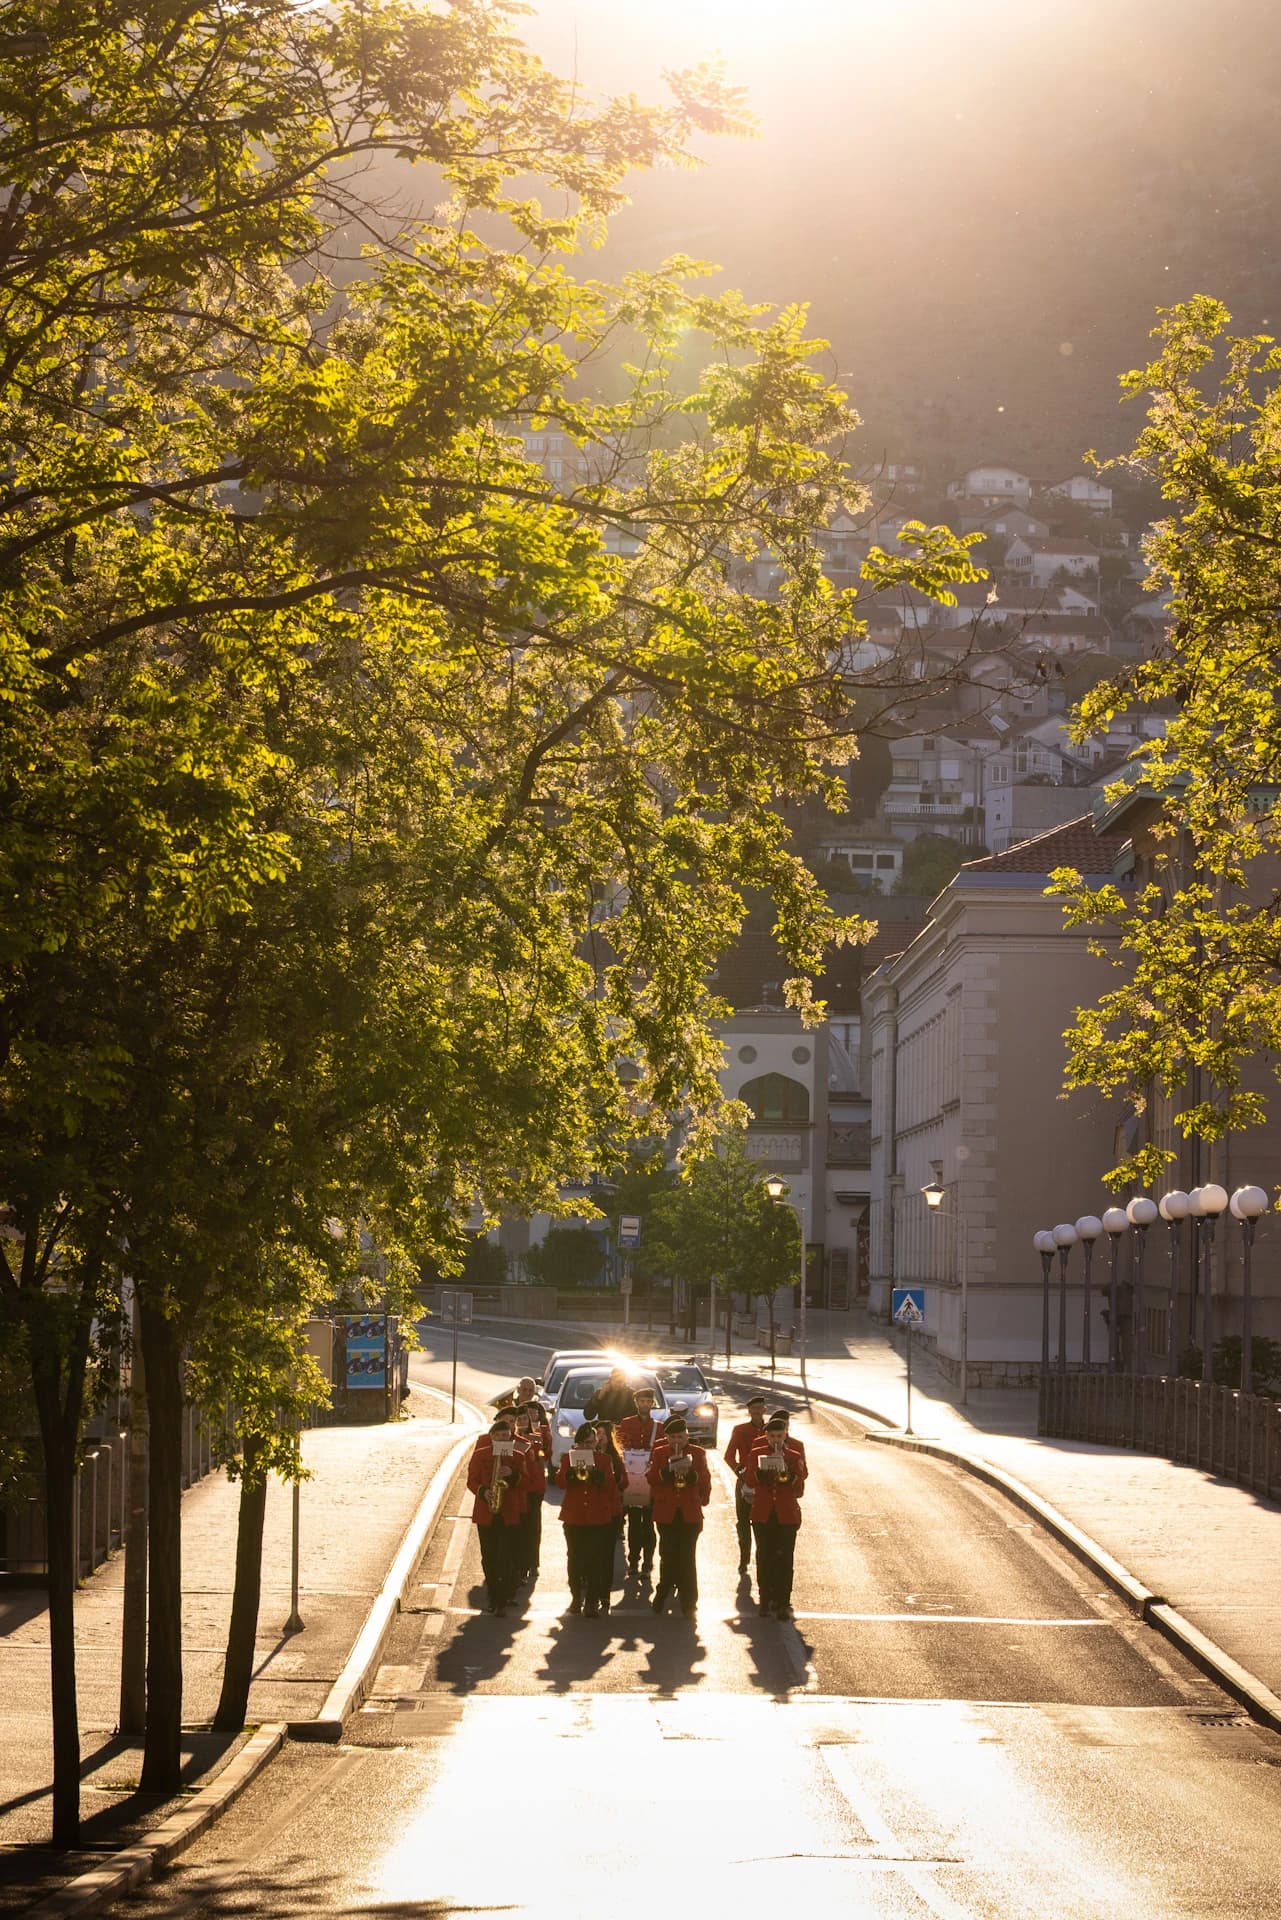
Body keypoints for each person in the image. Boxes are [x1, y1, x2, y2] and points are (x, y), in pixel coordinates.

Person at [647, 1415, 711, 1620]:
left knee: (687, 1557)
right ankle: (662, 1592)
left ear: (687, 1435)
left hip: (689, 1513)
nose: (676, 1441)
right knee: (667, 1555)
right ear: (667, 1437)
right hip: (666, 1512)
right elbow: (650, 1478)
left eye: (680, 1437)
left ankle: (689, 1602)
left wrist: (694, 1479)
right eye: (672, 1437)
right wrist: (666, 1472)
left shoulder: (698, 1453)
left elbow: (705, 1481)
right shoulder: (659, 1452)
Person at [745, 1412, 807, 1620]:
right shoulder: (757, 1453)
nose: (776, 1440)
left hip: (786, 1515)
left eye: (779, 1436)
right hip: (763, 1513)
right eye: (772, 1437)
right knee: (764, 1556)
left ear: (785, 1435)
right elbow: (749, 1480)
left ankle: (782, 1600)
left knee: (784, 1558)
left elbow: (799, 1490)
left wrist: (788, 1474)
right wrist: (762, 1473)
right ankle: (765, 1598)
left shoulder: (794, 1456)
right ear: (767, 1437)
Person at [466, 1413, 528, 1615]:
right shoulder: (481, 1454)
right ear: (492, 1437)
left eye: (506, 1435)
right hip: (487, 1511)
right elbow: (471, 1481)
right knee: (489, 1557)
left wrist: (513, 1475)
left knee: (506, 1557)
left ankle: (502, 1598)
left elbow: (527, 1482)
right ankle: (493, 1594)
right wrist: (484, 1492)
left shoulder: (517, 1456)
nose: (503, 1438)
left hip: (509, 1512)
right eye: (499, 1435)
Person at [557, 1419, 617, 1617]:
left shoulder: (604, 1460)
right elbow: (560, 1482)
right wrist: (573, 1474)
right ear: (577, 1443)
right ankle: (576, 1597)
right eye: (583, 1443)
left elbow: (610, 1487)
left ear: (596, 1443)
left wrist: (596, 1474)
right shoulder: (568, 1458)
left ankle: (592, 1601)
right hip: (574, 1516)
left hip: (597, 1517)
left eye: (591, 1443)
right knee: (574, 1559)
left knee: (595, 1560)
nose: (587, 1446)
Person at [616, 1386, 661, 1577]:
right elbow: (619, 1445)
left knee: (649, 1524)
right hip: (632, 1477)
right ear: (636, 1403)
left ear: (652, 1403)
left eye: (648, 1401)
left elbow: (661, 1450)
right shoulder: (626, 1423)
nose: (644, 1404)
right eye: (641, 1401)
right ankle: (634, 1560)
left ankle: (648, 1562)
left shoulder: (659, 1426)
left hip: (650, 1478)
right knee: (634, 1523)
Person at [723, 1394, 769, 1574]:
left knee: (763, 1521)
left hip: (765, 1482)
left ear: (765, 1410)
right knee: (743, 1521)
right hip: (745, 1480)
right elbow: (728, 1455)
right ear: (749, 1411)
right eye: (754, 1409)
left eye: (760, 1408)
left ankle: (763, 1557)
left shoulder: (771, 1429)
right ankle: (744, 1558)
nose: (757, 1412)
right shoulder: (740, 1430)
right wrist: (739, 1471)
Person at [513, 1401, 548, 1583]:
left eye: (525, 1418)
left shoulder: (536, 1437)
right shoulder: (510, 1440)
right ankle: (520, 1564)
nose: (522, 1421)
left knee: (533, 1527)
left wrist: (538, 1445)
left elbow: (544, 1457)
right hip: (518, 1488)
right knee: (519, 1528)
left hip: (534, 1488)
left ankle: (532, 1562)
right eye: (519, 1419)